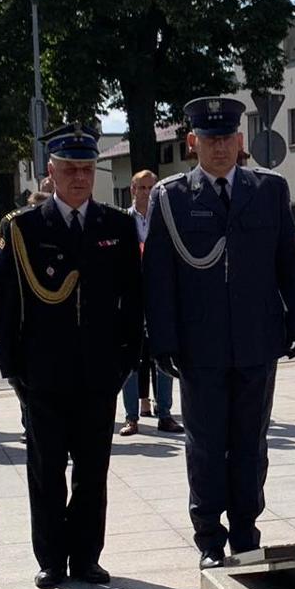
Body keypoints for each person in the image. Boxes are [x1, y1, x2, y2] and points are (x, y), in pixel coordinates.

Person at [145, 98, 295, 570]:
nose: (219, 148)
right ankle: (209, 538)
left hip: (257, 342)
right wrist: (162, 339)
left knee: (250, 444)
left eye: (226, 138)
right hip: (200, 348)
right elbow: (158, 275)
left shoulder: (269, 189)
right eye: (209, 139)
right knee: (204, 446)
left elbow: (290, 261)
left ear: (240, 140)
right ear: (192, 142)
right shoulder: (172, 196)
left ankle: (245, 532)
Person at [0, 122, 142, 589]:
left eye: (87, 169)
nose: (80, 177)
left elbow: (133, 300)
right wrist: (13, 370)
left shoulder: (115, 225)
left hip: (99, 372)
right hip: (43, 374)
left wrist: (127, 358)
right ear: (51, 171)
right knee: (47, 470)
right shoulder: (24, 228)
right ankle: (52, 559)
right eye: (70, 169)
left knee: (93, 471)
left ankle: (87, 557)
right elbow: (6, 304)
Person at [120, 169, 178, 436]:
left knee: (163, 354)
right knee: (130, 358)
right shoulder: (122, 221)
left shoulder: (166, 218)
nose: (146, 193)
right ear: (132, 190)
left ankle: (165, 414)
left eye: (151, 188)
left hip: (160, 295)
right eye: (141, 188)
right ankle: (131, 417)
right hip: (131, 297)